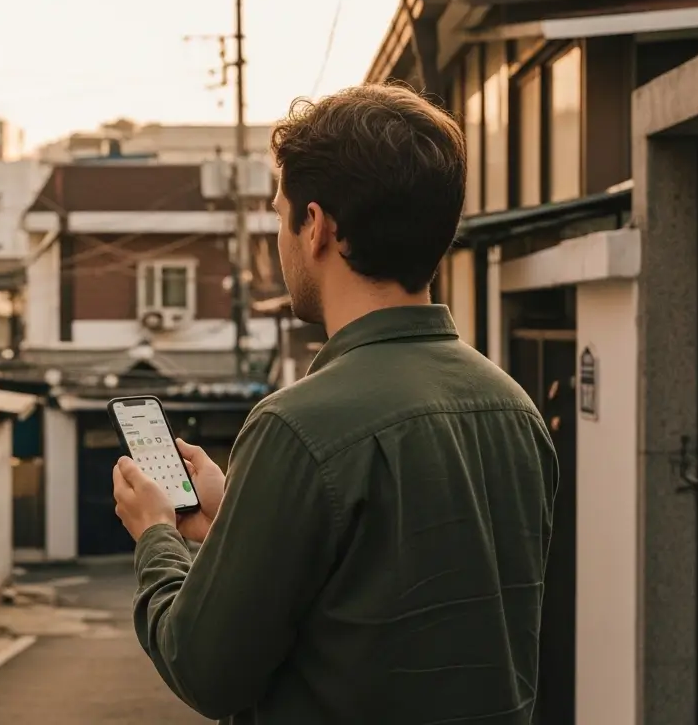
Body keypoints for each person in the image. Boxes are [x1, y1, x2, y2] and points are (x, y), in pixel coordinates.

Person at [112, 83, 558, 724]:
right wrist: (235, 518)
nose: (279, 235)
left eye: (278, 213)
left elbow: (204, 669)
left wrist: (157, 533)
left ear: (316, 227)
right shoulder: (512, 409)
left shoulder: (298, 428)